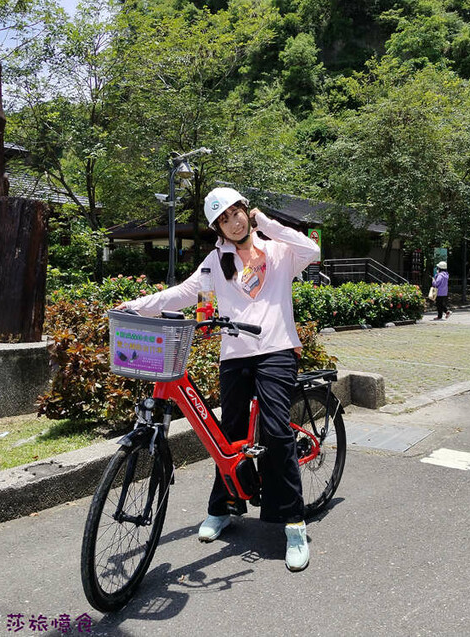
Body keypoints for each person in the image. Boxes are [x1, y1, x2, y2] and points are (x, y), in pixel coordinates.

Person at [116, 186, 320, 572]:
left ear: (247, 211)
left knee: (276, 432)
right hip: (236, 355)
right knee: (227, 436)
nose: (234, 222)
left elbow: (312, 251)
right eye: (224, 219)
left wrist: (268, 224)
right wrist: (135, 306)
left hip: (275, 350)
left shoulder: (278, 252)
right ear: (217, 228)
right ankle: (225, 506)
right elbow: (184, 292)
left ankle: (293, 523)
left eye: (237, 212)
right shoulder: (216, 260)